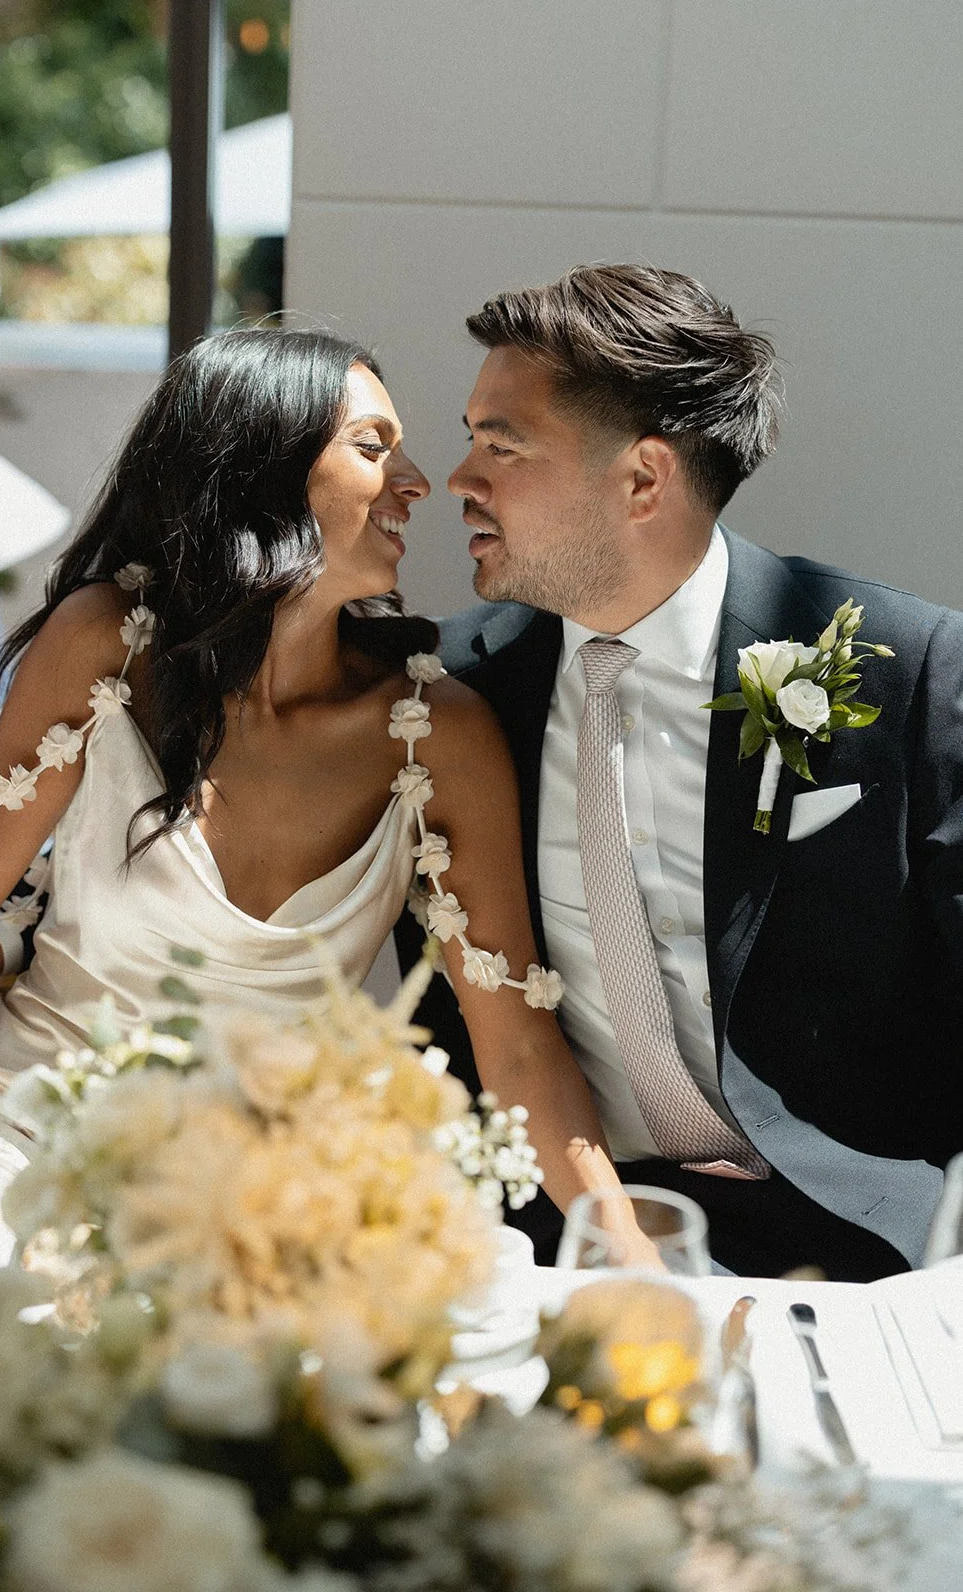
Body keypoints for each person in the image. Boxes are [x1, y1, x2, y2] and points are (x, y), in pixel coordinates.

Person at [0, 328, 641, 1244]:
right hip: (22, 1127)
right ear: (261, 473)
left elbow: (520, 1049)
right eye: (373, 447)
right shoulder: (110, 645)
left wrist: (632, 1248)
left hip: (263, 1189)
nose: (416, 480)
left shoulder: (435, 734)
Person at [397, 263, 963, 1280]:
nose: (458, 479)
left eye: (501, 443)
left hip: (858, 1232)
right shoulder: (455, 696)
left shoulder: (909, 668)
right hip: (553, 1225)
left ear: (645, 480)